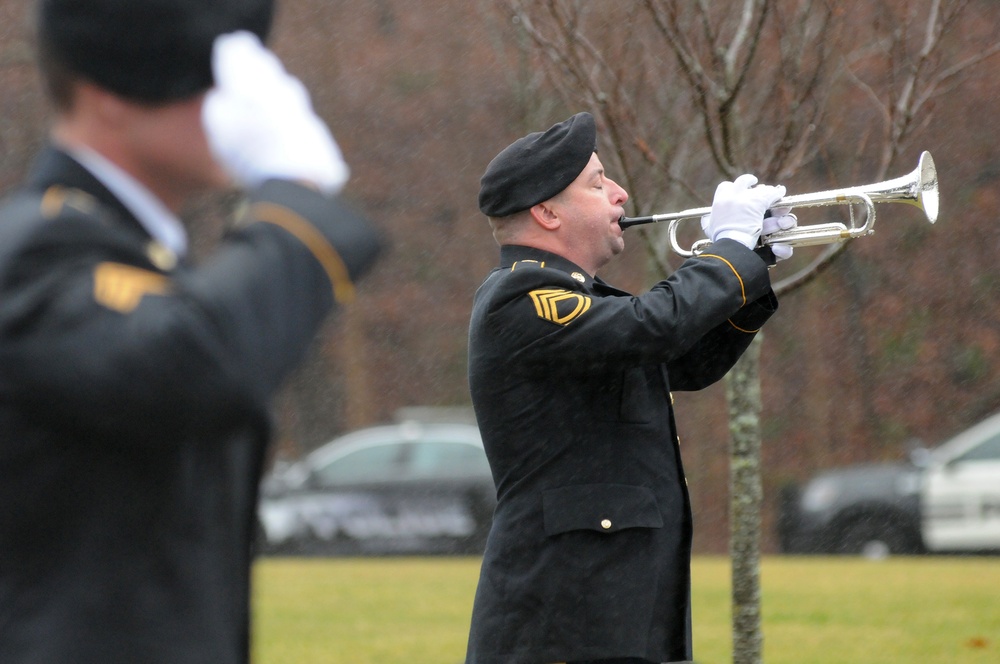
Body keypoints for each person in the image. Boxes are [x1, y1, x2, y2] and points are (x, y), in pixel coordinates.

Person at [0, 1, 381, 662]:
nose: (244, 100)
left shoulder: (131, 254)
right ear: (107, 94)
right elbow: (194, 365)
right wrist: (295, 197)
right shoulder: (37, 251)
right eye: (214, 72)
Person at [464, 112, 796, 664]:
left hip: (621, 601)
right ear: (547, 212)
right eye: (597, 183)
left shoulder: (586, 304)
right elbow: (654, 326)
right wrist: (728, 254)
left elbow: (684, 362)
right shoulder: (521, 299)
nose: (620, 194)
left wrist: (751, 266)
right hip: (565, 613)